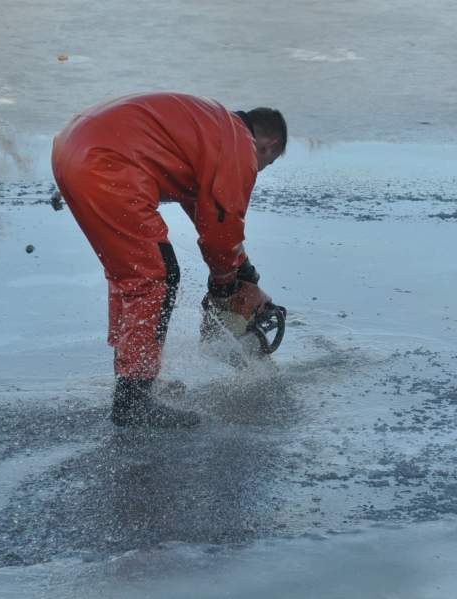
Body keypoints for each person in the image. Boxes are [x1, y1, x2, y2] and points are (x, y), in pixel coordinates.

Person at [51, 93, 287, 428]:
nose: (258, 171)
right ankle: (134, 400)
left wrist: (242, 271)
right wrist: (225, 287)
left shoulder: (215, 129)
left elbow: (209, 217)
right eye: (267, 164)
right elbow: (222, 229)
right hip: (105, 161)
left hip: (72, 150)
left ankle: (135, 379)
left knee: (130, 273)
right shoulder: (239, 147)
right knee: (154, 276)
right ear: (269, 145)